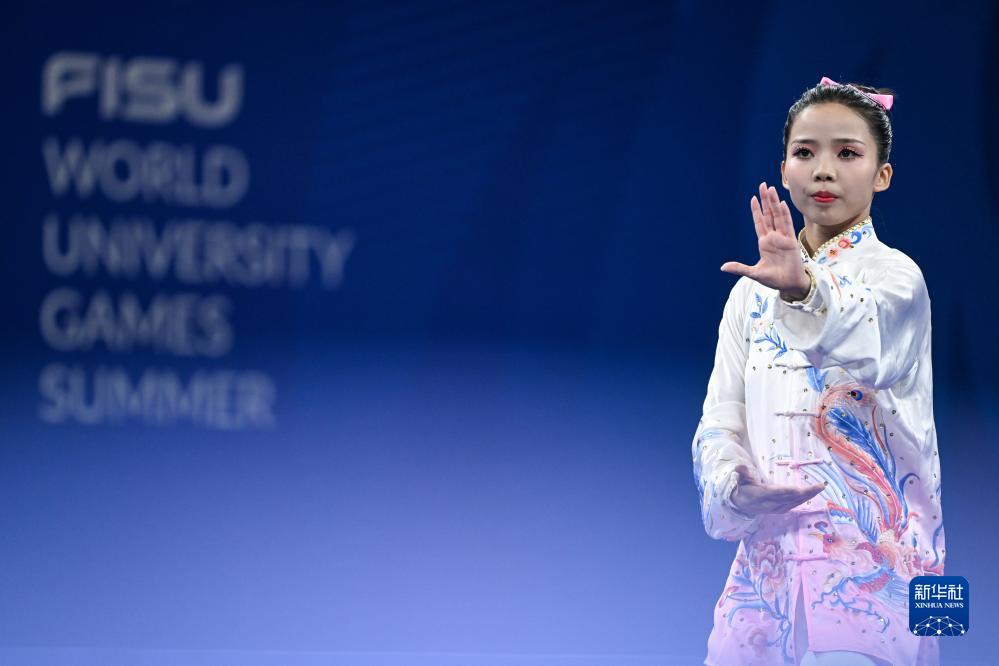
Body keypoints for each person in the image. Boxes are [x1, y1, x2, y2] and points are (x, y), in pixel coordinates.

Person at [691, 76, 945, 665]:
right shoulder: (748, 296)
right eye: (805, 152)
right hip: (767, 575)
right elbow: (719, 421)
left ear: (882, 174)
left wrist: (803, 289)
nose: (823, 170)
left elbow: (872, 347)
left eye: (848, 153)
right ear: (784, 169)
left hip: (889, 575)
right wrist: (734, 485)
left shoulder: (898, 277)